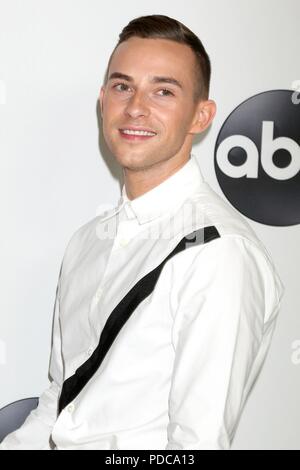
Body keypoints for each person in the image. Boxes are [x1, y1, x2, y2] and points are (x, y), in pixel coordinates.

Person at [0, 14, 284, 450]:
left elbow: (198, 445)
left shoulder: (219, 252)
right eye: (122, 86)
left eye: (163, 91)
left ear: (201, 116)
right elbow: (60, 401)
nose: (136, 107)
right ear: (103, 100)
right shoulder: (87, 240)